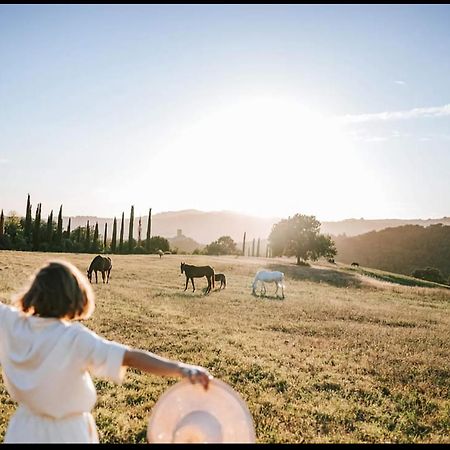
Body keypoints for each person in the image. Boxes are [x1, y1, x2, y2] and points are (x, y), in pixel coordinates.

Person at [0, 260, 212, 443]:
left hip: (22, 430)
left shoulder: (10, 323)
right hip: (68, 434)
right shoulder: (75, 338)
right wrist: (182, 369)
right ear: (74, 296)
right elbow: (129, 356)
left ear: (34, 292)